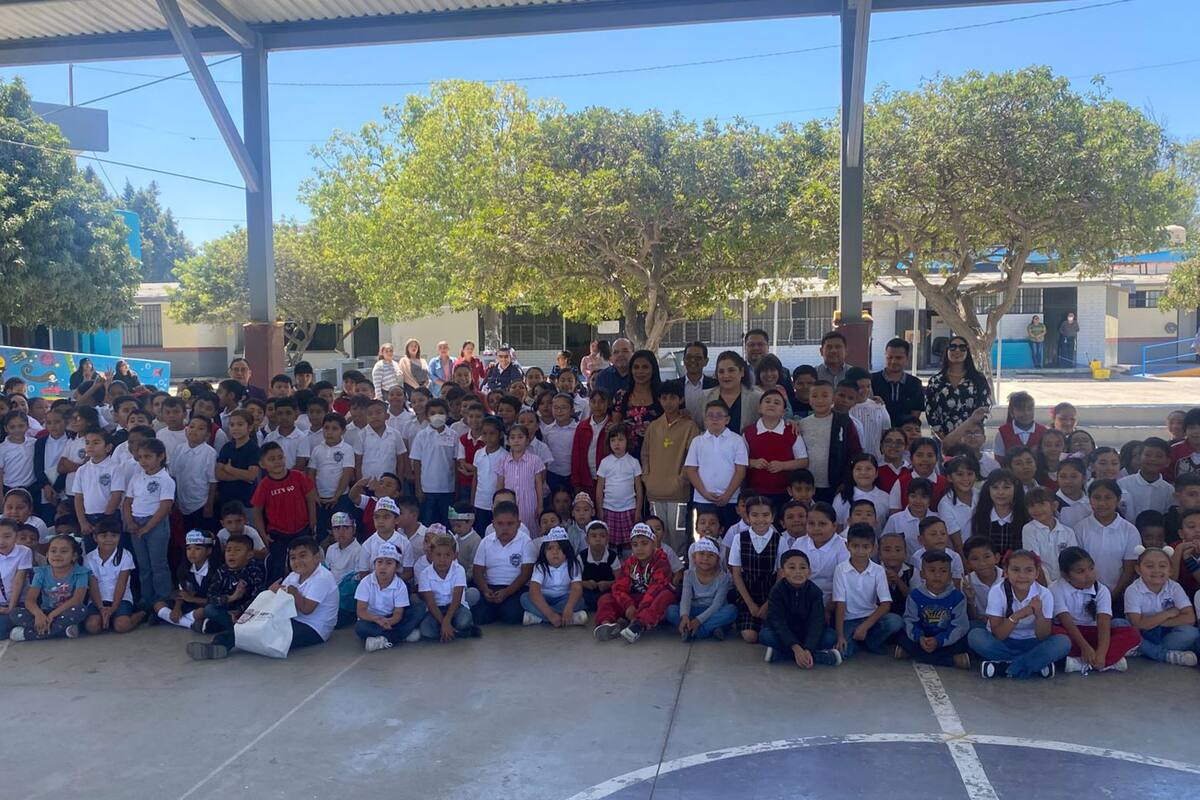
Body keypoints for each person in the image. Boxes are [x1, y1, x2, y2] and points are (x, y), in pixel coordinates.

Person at [187, 536, 338, 660]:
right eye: (293, 558)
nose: (297, 562)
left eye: (303, 556)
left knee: (263, 633)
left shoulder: (322, 577)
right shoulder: (294, 576)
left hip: (314, 628)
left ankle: (221, 642)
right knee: (249, 625)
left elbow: (307, 609)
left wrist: (292, 592)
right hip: (291, 619)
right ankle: (218, 644)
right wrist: (272, 591)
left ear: (317, 557)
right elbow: (275, 596)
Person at [967, 549, 1071, 679]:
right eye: (1016, 570)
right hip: (1004, 643)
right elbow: (999, 635)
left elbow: (1043, 636)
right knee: (975, 636)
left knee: (1063, 642)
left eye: (1028, 570)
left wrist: (1039, 614)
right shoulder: (997, 592)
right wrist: (1018, 615)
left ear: (1037, 573)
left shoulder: (1044, 594)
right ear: (1006, 572)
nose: (1022, 575)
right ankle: (1032, 665)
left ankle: (1006, 667)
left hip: (1033, 643)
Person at [1051, 546, 1139, 674]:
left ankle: (1084, 664)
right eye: (1080, 571)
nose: (1088, 575)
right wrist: (1086, 648)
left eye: (1091, 569)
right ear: (1065, 575)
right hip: (1071, 634)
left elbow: (1104, 623)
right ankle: (1110, 662)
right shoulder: (1055, 588)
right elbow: (1066, 621)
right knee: (1055, 636)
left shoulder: (1101, 590)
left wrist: (1102, 653)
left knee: (1132, 634)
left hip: (1094, 633)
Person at [592, 523, 676, 643]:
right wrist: (628, 605)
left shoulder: (661, 560)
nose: (639, 548)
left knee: (666, 595)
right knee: (606, 598)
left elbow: (656, 588)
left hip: (652, 602)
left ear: (653, 543)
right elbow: (619, 587)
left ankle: (639, 625)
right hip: (635, 601)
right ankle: (607, 624)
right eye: (635, 545)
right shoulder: (630, 562)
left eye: (644, 543)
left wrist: (638, 611)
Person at [641, 381, 699, 553]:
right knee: (657, 534)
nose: (668, 402)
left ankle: (678, 572)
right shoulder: (653, 426)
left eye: (673, 397)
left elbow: (692, 457)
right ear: (659, 400)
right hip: (654, 491)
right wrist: (647, 477)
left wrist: (682, 479)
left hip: (678, 492)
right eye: (664, 398)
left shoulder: (690, 426)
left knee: (677, 534)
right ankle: (661, 570)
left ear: (680, 399)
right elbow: (645, 454)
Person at [832, 524, 903, 658]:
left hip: (871, 618)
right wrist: (840, 636)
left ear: (873, 548)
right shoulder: (840, 570)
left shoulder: (878, 570)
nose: (860, 551)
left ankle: (869, 642)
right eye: (855, 546)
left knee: (895, 621)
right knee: (843, 651)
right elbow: (840, 604)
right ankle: (859, 642)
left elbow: (885, 604)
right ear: (847, 546)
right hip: (849, 620)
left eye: (865, 547)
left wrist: (865, 626)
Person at [761, 549, 841, 666]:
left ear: (809, 572)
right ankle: (818, 657)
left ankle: (782, 655)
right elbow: (778, 622)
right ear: (782, 572)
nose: (798, 572)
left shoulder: (815, 592)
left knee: (830, 636)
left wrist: (808, 648)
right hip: (786, 633)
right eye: (792, 568)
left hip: (806, 633)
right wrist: (795, 647)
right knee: (765, 635)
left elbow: (817, 622)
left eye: (803, 568)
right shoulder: (777, 591)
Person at [252, 442, 318, 582]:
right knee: (278, 568)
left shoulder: (297, 476)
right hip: (278, 534)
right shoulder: (264, 485)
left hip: (301, 530)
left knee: (306, 564)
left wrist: (313, 520)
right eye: (272, 459)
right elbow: (256, 511)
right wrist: (263, 534)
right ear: (262, 464)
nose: (277, 462)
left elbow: (310, 497)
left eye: (280, 457)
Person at [1123, 545, 1199, 666]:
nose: (1156, 570)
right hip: (1140, 634)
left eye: (1162, 566)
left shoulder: (1174, 587)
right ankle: (1165, 655)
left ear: (1170, 570)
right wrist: (1167, 614)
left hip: (1166, 633)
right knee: (1119, 625)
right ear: (1138, 569)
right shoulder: (1133, 590)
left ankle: (1143, 650)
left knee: (1192, 633)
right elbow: (1137, 624)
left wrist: (1153, 623)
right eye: (1149, 566)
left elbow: (1190, 618)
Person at [895, 550, 971, 668]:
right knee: (902, 635)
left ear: (950, 576)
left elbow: (960, 626)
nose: (937, 575)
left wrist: (939, 641)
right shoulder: (915, 596)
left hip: (946, 639)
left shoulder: (957, 597)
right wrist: (920, 637)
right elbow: (910, 620)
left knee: (966, 640)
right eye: (932, 570)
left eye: (943, 571)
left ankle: (912, 654)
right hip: (922, 638)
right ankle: (951, 660)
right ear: (922, 574)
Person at [122, 438, 175, 606]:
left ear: (160, 457)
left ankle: (163, 599)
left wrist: (147, 527)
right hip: (136, 523)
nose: (143, 461)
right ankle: (147, 600)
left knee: (158, 564)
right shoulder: (136, 478)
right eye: (140, 457)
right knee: (143, 565)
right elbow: (127, 502)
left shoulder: (165, 479)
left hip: (155, 524)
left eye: (148, 456)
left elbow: (165, 507)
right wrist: (130, 522)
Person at [8, 534, 89, 641]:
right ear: (47, 554)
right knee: (15, 613)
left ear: (74, 556)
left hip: (66, 612)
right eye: (53, 551)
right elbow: (30, 600)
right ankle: (62, 631)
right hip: (44, 612)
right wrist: (39, 615)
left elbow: (77, 599)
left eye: (63, 551)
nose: (57, 555)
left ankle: (28, 634)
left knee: (81, 609)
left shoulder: (80, 572)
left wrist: (53, 615)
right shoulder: (41, 572)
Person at [684, 400, 748, 531]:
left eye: (719, 415)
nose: (714, 419)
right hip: (703, 499)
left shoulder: (737, 440)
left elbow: (740, 470)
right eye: (710, 415)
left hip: (731, 499)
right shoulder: (697, 441)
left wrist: (727, 495)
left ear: (727, 419)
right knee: (704, 535)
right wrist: (705, 494)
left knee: (729, 534)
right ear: (705, 420)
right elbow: (691, 470)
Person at [728, 495, 783, 644]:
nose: (760, 520)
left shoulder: (780, 540)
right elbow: (736, 575)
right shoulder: (739, 539)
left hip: (771, 592)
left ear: (773, 517)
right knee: (750, 637)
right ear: (747, 516)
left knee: (774, 629)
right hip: (748, 592)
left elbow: (780, 575)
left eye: (765, 515)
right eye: (755, 515)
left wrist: (767, 604)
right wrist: (750, 604)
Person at [744, 389, 809, 510]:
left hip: (784, 492)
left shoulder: (792, 432)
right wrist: (753, 462)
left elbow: (803, 461)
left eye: (777, 403)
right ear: (759, 408)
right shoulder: (749, 432)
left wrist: (783, 465)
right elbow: (740, 461)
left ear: (784, 411)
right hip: (755, 491)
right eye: (767, 401)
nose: (771, 404)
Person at [471, 501, 534, 625]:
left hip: (515, 588)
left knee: (511, 615)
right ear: (493, 524)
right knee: (479, 616)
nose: (505, 528)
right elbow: (477, 571)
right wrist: (485, 590)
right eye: (500, 524)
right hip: (491, 587)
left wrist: (507, 592)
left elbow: (526, 573)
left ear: (518, 524)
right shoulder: (486, 542)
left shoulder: (525, 542)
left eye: (510, 524)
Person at [1074, 479, 1139, 598]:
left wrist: (1113, 595)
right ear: (1090, 500)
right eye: (1097, 498)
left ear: (1118, 499)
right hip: (1085, 594)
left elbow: (1129, 569)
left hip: (1119, 594)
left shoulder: (1130, 530)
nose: (1102, 503)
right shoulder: (1080, 528)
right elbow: (1077, 566)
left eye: (1108, 497)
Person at [798, 381, 861, 504]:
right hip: (809, 485)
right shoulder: (802, 424)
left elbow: (855, 453)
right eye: (815, 396)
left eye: (825, 396)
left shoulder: (844, 422)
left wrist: (846, 481)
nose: (819, 400)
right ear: (809, 400)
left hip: (836, 484)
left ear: (833, 399)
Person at [666, 537, 734, 641]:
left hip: (713, 611)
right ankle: (711, 628)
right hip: (693, 609)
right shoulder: (688, 574)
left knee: (731, 610)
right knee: (671, 611)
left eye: (711, 555)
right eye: (701, 554)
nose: (705, 558)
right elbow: (685, 599)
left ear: (717, 559)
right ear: (694, 557)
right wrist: (684, 616)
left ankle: (697, 631)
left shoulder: (723, 577)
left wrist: (698, 621)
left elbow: (717, 605)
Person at [924, 336, 992, 438]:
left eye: (962, 347)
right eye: (952, 347)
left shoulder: (979, 379)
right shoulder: (935, 381)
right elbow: (930, 409)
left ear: (967, 351)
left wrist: (973, 431)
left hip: (970, 437)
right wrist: (940, 434)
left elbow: (985, 406)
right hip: (942, 438)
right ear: (947, 351)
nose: (957, 350)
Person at [82, 522, 143, 634]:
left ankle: (140, 615)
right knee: (92, 626)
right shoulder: (89, 558)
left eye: (114, 536)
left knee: (122, 626)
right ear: (95, 538)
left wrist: (113, 608)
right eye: (104, 536)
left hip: (120, 599)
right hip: (98, 600)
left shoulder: (125, 555)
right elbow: (93, 585)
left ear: (119, 537)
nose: (109, 539)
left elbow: (122, 583)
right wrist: (101, 608)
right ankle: (107, 618)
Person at [354, 541, 414, 652]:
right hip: (371, 619)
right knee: (360, 627)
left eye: (389, 563)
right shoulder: (365, 582)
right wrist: (377, 619)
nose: (383, 567)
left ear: (396, 567)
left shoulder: (400, 585)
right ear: (374, 565)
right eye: (379, 562)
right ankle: (399, 636)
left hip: (391, 619)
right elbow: (361, 611)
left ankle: (384, 638)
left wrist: (389, 621)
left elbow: (398, 613)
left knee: (418, 609)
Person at [417, 532, 478, 640]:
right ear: (431, 554)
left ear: (454, 556)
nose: (442, 560)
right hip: (436, 609)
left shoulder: (459, 570)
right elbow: (431, 603)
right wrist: (443, 622)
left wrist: (446, 621)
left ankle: (451, 629)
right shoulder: (425, 574)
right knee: (426, 631)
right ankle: (453, 630)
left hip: (456, 607)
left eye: (447, 555)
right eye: (438, 555)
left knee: (463, 621)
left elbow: (457, 599)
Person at [521, 527, 587, 627]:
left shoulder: (573, 564)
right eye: (550, 548)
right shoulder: (540, 566)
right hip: (544, 598)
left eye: (559, 548)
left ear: (566, 551)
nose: (555, 552)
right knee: (524, 598)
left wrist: (569, 608)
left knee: (580, 601)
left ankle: (539, 618)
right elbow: (534, 591)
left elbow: (577, 588)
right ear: (544, 551)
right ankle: (568, 619)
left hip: (564, 598)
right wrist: (550, 614)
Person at [596, 424, 643, 553]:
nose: (617, 444)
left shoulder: (633, 462)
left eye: (621, 440)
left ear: (627, 441)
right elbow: (599, 488)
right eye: (613, 440)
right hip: (609, 508)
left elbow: (639, 489)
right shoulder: (605, 462)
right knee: (610, 544)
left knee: (630, 543)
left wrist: (638, 511)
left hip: (629, 508)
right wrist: (600, 510)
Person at [611, 350, 663, 460]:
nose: (640, 371)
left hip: (657, 455)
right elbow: (615, 429)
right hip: (627, 458)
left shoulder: (662, 395)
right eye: (636, 367)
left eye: (645, 367)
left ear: (653, 369)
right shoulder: (621, 396)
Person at [1020, 487, 1077, 583]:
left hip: (1066, 583)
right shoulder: (1029, 529)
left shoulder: (1068, 532)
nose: (1036, 509)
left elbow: (1073, 561)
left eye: (1041, 504)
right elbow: (1034, 562)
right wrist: (1046, 588)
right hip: (1042, 584)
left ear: (1054, 505)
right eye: (1031, 506)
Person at [697, 351, 761, 434]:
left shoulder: (756, 398)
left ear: (741, 372)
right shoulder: (705, 397)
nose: (726, 375)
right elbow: (699, 426)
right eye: (721, 371)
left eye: (731, 370)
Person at [970, 469, 1028, 555]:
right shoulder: (980, 518)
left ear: (1015, 489)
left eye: (1006, 487)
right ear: (988, 489)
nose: (1001, 492)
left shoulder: (1025, 517)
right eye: (995, 487)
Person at [871, 338, 925, 428]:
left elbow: (915, 416)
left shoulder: (915, 384)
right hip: (876, 433)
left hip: (904, 436)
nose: (893, 361)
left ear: (907, 358)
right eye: (890, 357)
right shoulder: (871, 380)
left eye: (899, 358)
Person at [1118, 437, 1173, 522]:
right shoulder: (1122, 484)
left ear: (1167, 462)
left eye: (1159, 456)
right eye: (1148, 455)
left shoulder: (1169, 490)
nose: (1153, 459)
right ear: (1139, 457)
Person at [994, 391, 1046, 460]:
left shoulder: (1043, 431)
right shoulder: (1002, 433)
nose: (1026, 413)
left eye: (1030, 409)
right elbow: (999, 460)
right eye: (1020, 409)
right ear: (1012, 412)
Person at [680, 340, 718, 422]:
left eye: (698, 358)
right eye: (689, 357)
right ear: (684, 360)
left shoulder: (715, 385)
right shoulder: (674, 386)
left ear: (706, 361)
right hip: (683, 433)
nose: (693, 360)